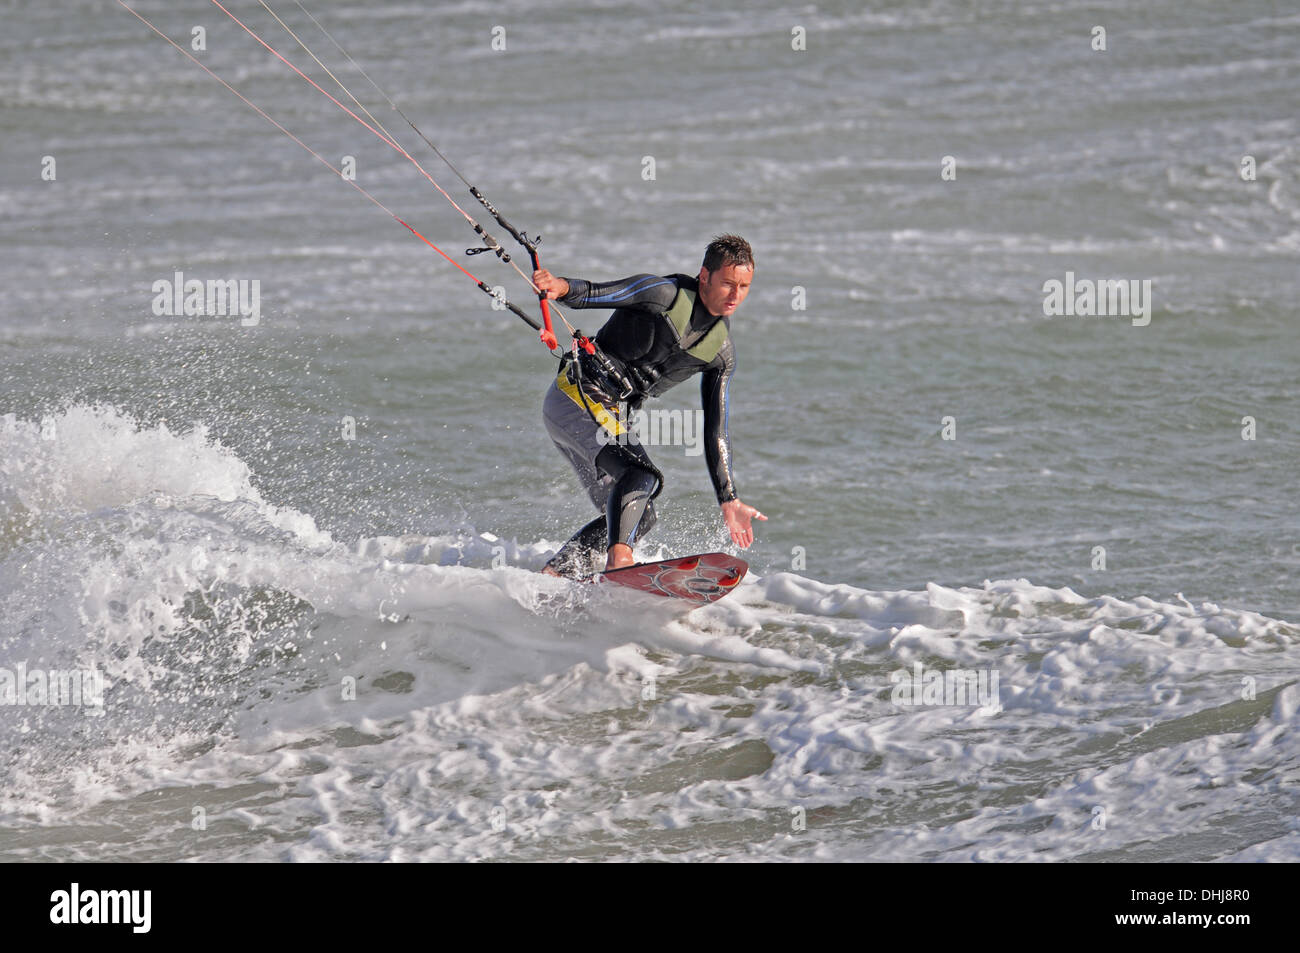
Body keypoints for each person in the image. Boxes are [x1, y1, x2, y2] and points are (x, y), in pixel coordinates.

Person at [536, 233, 766, 578]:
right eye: (728, 284)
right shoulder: (663, 295)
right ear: (705, 276)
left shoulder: (720, 352)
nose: (736, 295)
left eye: (744, 286)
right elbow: (600, 292)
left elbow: (715, 428)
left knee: (639, 514)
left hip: (602, 414)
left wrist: (729, 498)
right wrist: (560, 286)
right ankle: (620, 562)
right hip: (578, 394)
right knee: (639, 475)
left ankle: (555, 576)